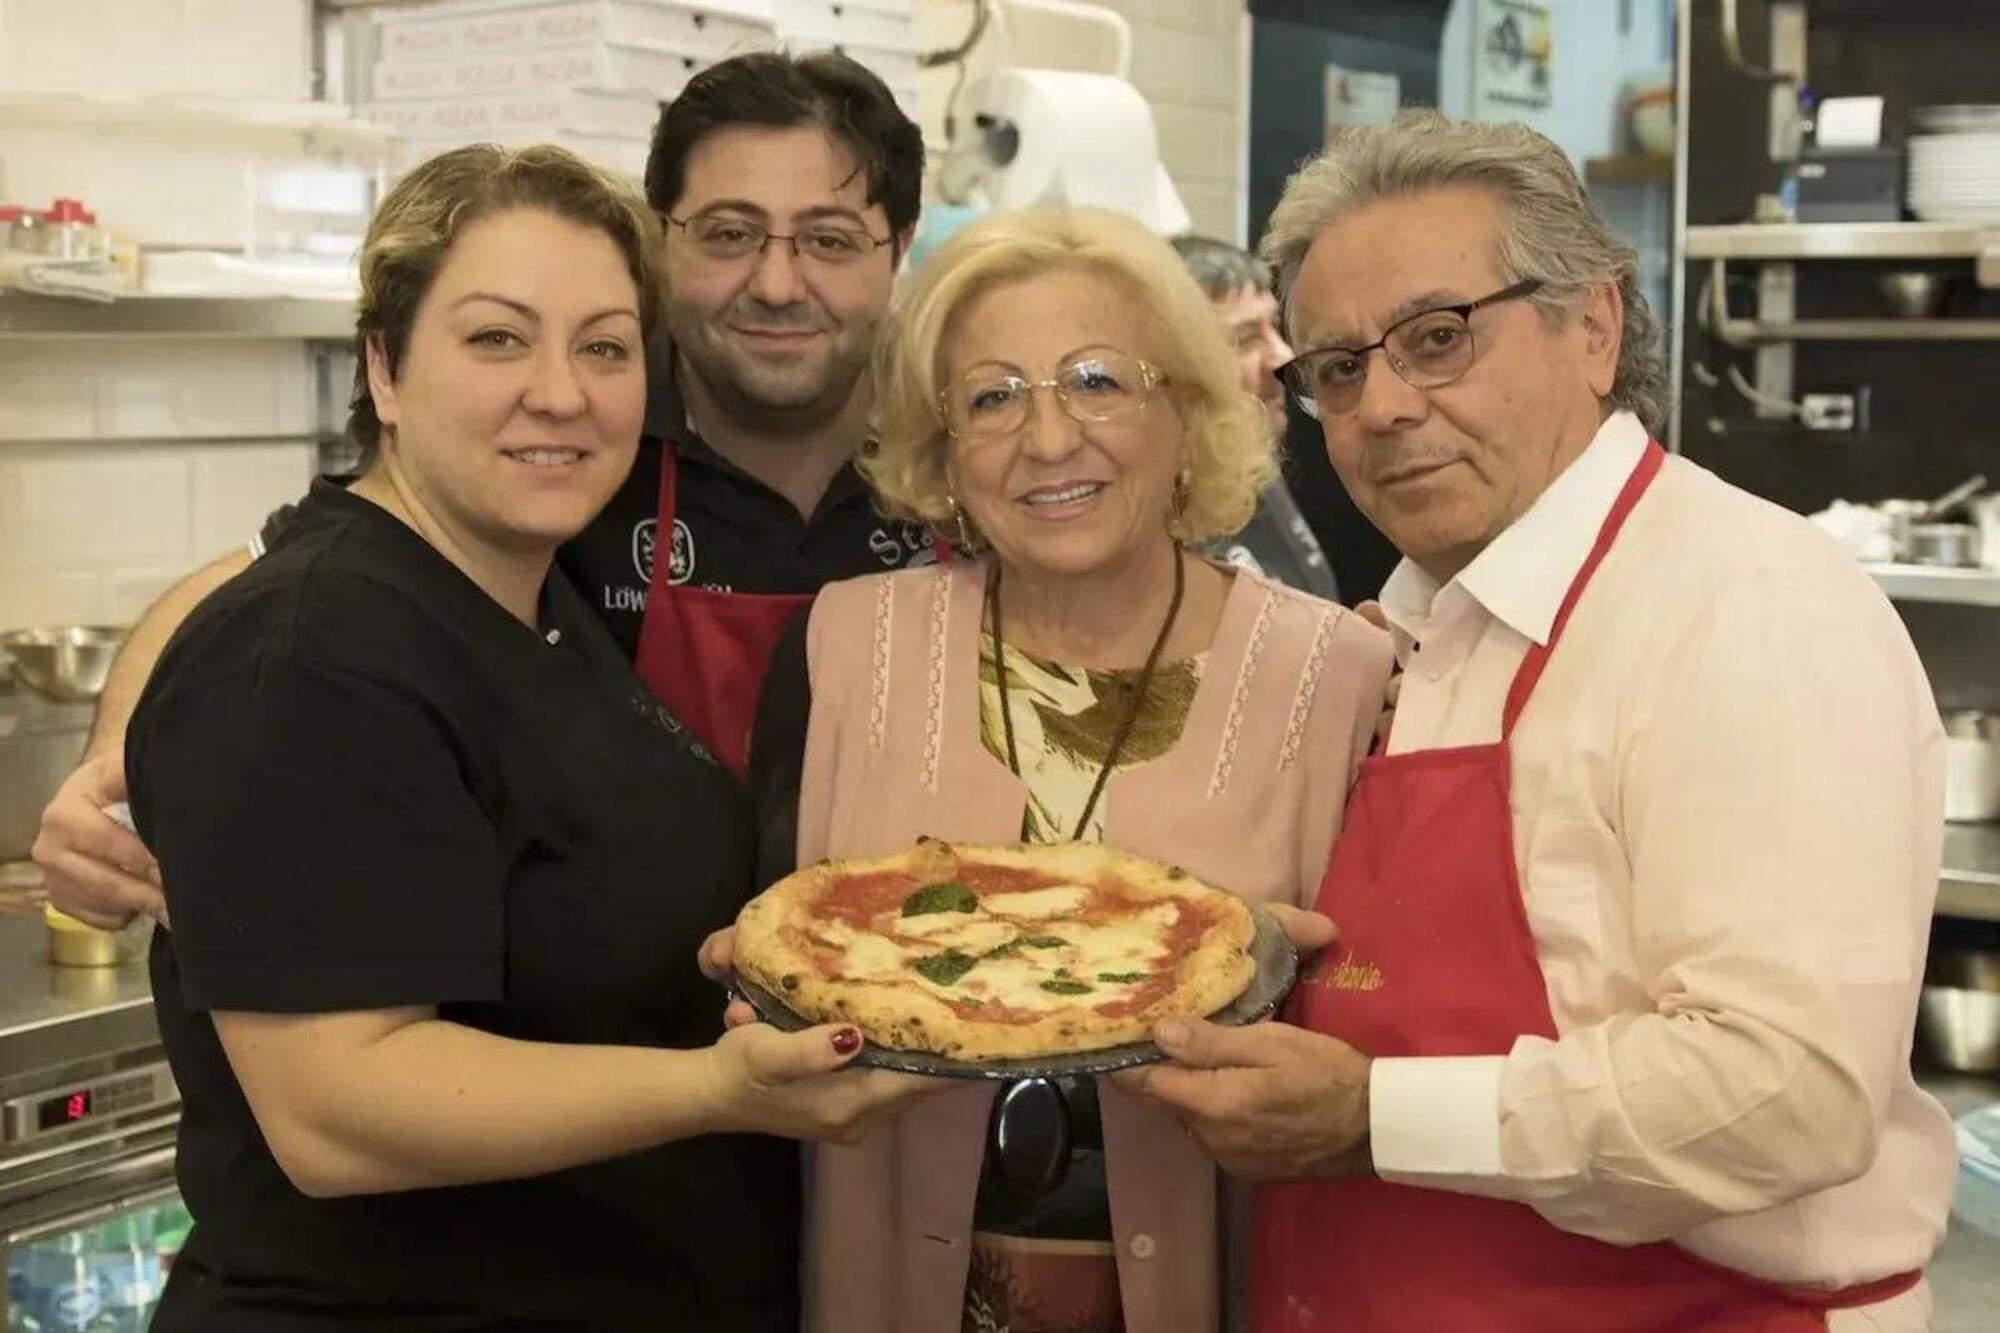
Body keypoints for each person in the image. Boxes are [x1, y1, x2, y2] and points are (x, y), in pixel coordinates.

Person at [1118, 111, 1957, 1332]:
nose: (1383, 407)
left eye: (1438, 338)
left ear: (1594, 327)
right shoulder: (1414, 635)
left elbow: (1784, 1093)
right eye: (1337, 368)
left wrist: (1368, 1113)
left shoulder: (1742, 608)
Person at [127, 143, 929, 1332]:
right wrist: (715, 1090)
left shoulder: (534, 603)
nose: (559, 392)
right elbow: (335, 1110)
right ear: (385, 369)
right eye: (497, 338)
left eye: (603, 346)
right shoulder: (311, 649)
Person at [32, 49, 931, 926]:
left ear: (898, 249)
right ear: (663, 243)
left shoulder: (956, 442)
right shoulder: (576, 432)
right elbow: (261, 590)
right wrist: (113, 765)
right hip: (630, 994)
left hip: (913, 962)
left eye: (829, 239)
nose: (777, 284)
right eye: (729, 234)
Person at [743, 206, 1393, 1333]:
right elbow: (772, 964)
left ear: (1184, 407)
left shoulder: (1339, 673)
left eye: (1096, 380)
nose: (1047, 440)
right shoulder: (839, 644)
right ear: (942, 450)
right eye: (991, 397)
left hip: (1222, 1275)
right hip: (886, 1276)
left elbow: (1390, 1024)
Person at [1168, 234, 1337, 598]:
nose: (1282, 356)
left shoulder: (1258, 471)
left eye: (1272, 328)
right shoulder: (1154, 523)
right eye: (1245, 340)